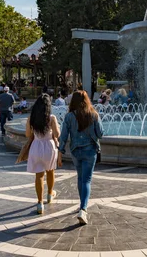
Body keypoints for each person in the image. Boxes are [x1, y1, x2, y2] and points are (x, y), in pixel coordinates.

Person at [58, 90, 103, 225]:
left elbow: (64, 136)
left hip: (76, 151)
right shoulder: (93, 114)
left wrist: (60, 151)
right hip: (90, 150)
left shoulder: (69, 116)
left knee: (80, 177)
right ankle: (83, 208)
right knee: (87, 180)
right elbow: (100, 134)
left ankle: (82, 204)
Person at [27, 94, 61, 214]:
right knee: (51, 171)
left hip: (36, 146)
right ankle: (50, 194)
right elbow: (57, 134)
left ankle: (40, 203)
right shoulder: (51, 118)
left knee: (39, 175)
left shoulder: (32, 118)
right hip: (49, 146)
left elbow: (27, 134)